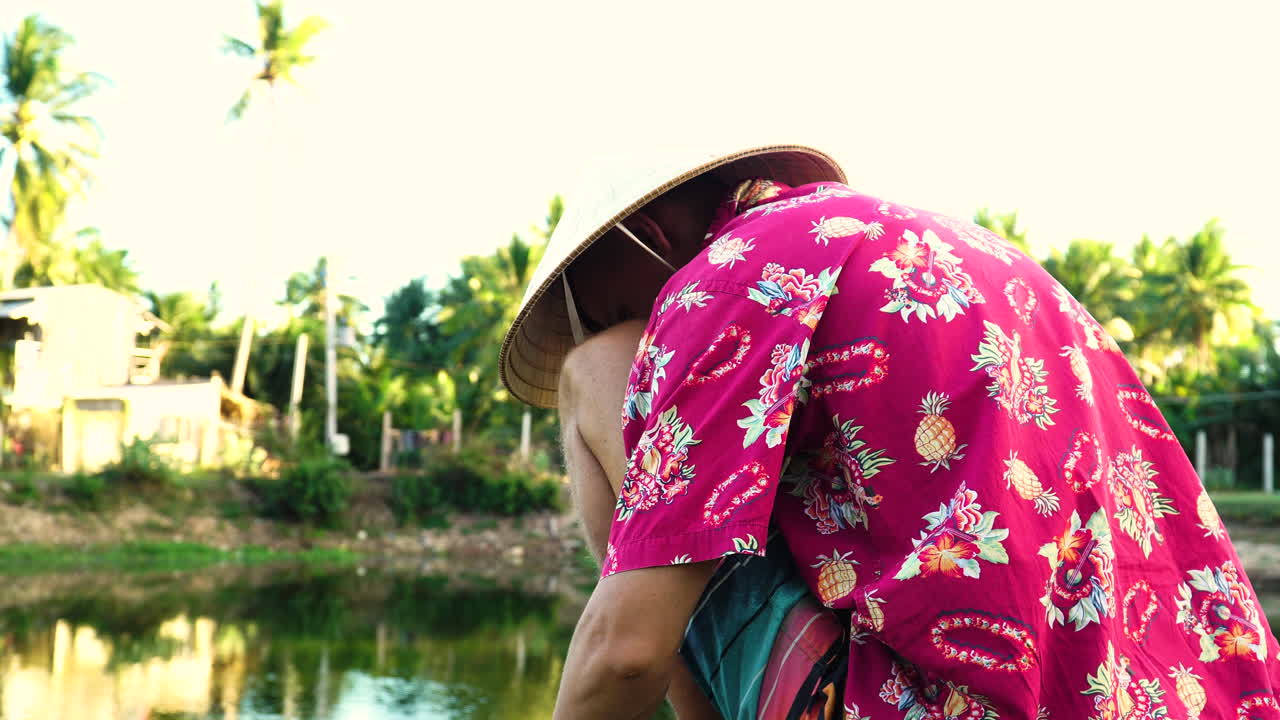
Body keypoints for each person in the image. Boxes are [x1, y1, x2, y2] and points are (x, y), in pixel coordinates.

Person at [499, 145, 1280, 720]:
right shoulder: (961, 248)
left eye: (610, 311)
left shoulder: (723, 279)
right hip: (1181, 694)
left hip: (930, 705)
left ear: (652, 237)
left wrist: (617, 349)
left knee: (592, 375)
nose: (636, 340)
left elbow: (627, 654)